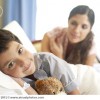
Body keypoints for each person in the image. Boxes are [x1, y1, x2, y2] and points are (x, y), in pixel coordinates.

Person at [0, 29, 80, 95]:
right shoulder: (11, 81)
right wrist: (21, 83)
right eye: (11, 64)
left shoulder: (49, 60)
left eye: (20, 50)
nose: (24, 62)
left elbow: (74, 93)